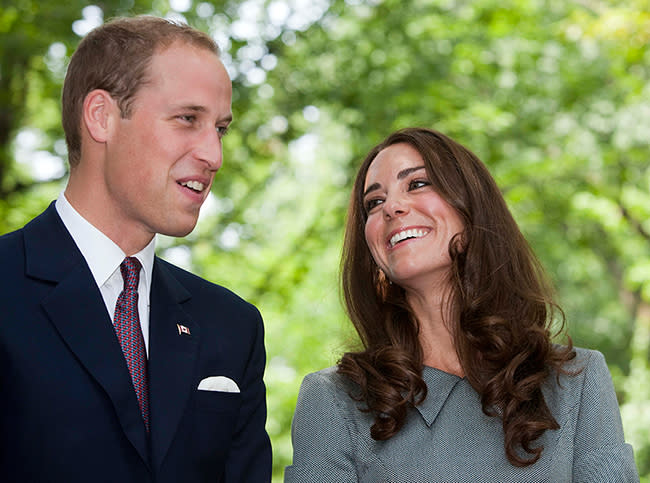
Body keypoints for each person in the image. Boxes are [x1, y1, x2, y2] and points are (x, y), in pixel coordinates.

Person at [0, 16, 271, 482]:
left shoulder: (232, 326)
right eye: (188, 119)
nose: (214, 155)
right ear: (101, 116)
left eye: (220, 129)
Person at [285, 127, 639, 482]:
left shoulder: (578, 381)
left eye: (418, 183)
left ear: (472, 208)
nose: (391, 207)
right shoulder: (333, 401)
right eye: (374, 203)